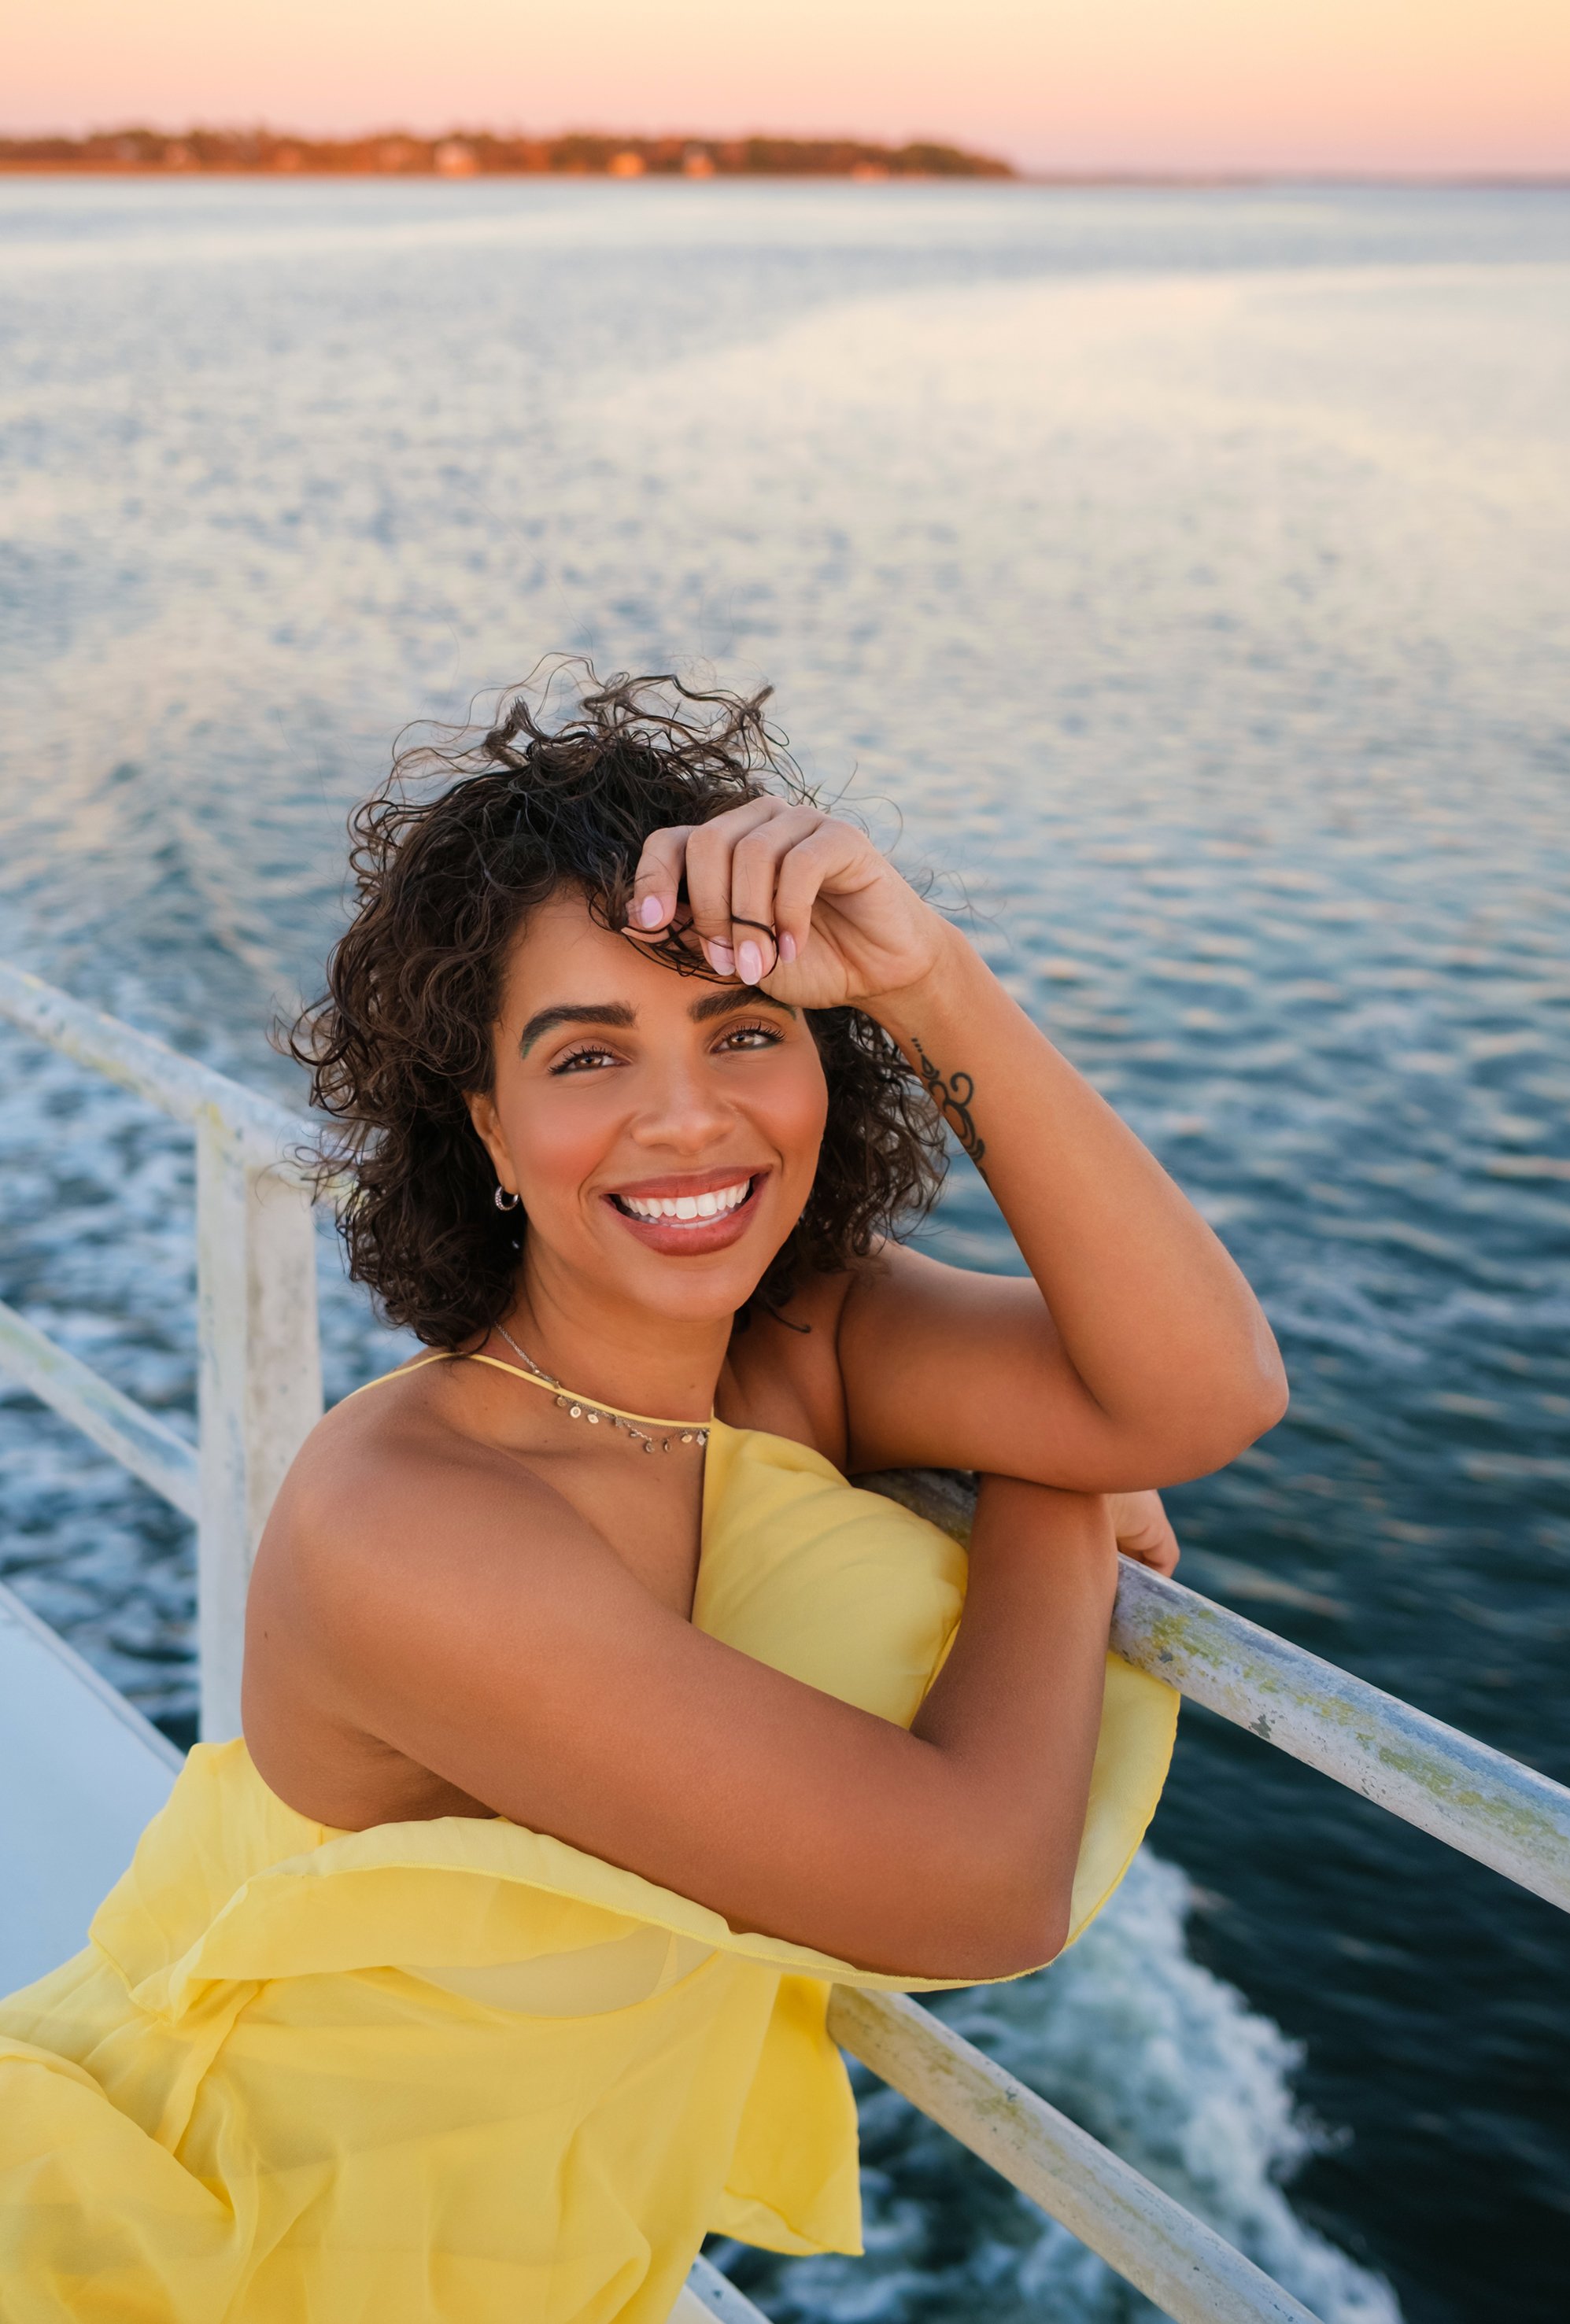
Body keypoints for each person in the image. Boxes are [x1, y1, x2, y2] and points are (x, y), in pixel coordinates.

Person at [0, 673, 1286, 2323]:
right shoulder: (415, 1524)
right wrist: (1060, 1481)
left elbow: (1204, 1386)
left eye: (742, 1032)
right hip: (223, 2254)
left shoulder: (805, 1329)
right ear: (487, 1125)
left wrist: (936, 980)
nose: (688, 1117)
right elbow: (982, 1885)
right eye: (586, 1053)